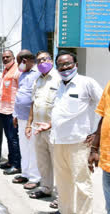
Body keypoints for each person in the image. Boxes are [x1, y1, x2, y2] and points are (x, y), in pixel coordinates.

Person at [36, 50, 102, 214]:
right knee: (63, 183)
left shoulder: (87, 83)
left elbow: (105, 107)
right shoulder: (58, 85)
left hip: (79, 143)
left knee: (82, 183)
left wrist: (96, 135)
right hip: (58, 142)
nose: (64, 67)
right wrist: (49, 125)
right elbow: (63, 112)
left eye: (67, 64)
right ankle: (65, 211)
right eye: (60, 65)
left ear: (76, 65)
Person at [26, 51, 60, 208]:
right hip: (38, 128)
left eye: (44, 59)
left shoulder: (59, 79)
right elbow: (33, 103)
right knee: (43, 162)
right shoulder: (37, 80)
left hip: (55, 129)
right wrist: (29, 124)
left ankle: (60, 196)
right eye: (38, 61)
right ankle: (46, 188)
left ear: (51, 60)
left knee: (58, 163)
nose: (41, 63)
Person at [12, 50, 41, 190]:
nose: (18, 65)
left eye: (19, 62)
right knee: (24, 147)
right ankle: (25, 173)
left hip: (33, 119)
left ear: (25, 61)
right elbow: (20, 94)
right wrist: (15, 114)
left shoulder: (38, 74)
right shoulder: (23, 74)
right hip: (21, 117)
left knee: (33, 148)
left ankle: (35, 177)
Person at [0, 50, 22, 175]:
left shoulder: (17, 71)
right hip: (3, 110)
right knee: (9, 138)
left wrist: (16, 112)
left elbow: (20, 91)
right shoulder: (6, 70)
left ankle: (17, 165)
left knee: (13, 139)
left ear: (13, 58)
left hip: (12, 111)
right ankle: (11, 161)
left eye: (8, 57)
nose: (5, 59)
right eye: (3, 57)